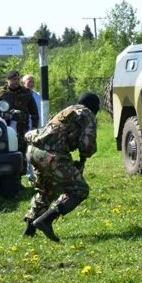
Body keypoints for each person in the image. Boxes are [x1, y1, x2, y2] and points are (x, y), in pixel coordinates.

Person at [22, 92, 100, 242]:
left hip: (34, 151)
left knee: (46, 189)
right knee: (79, 189)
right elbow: (87, 145)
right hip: (51, 155)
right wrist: (84, 155)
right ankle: (46, 220)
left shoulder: (67, 111)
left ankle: (29, 230)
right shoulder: (87, 113)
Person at [0, 70, 39, 174]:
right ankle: (7, 175)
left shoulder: (26, 92)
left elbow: (34, 112)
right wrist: (3, 115)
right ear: (8, 80)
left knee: (21, 152)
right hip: (5, 127)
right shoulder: (1, 93)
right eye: (14, 79)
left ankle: (20, 176)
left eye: (18, 79)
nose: (16, 81)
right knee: (8, 151)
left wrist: (34, 127)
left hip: (22, 128)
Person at [22, 74, 42, 183]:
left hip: (37, 128)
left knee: (36, 150)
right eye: (29, 81)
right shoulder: (21, 95)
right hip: (25, 128)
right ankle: (29, 175)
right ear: (23, 82)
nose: (31, 83)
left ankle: (37, 174)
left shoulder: (37, 95)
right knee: (27, 151)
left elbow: (40, 112)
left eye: (33, 81)